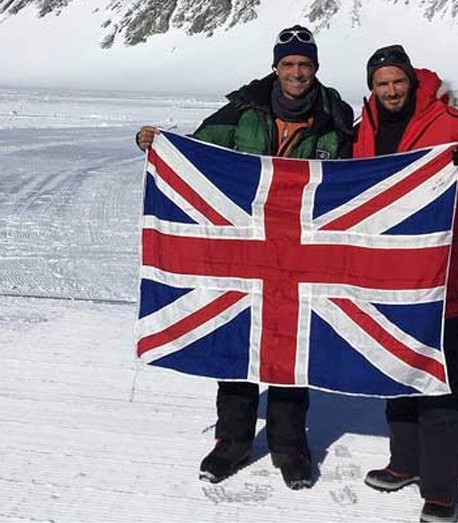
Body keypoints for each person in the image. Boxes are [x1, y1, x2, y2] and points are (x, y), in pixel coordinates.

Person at [135, 25, 354, 489]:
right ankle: (231, 443)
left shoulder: (335, 118)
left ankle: (290, 447)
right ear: (276, 68)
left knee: (292, 350)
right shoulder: (243, 110)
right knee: (238, 347)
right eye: (289, 64)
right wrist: (160, 144)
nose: (297, 72)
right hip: (246, 249)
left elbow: (356, 177)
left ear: (315, 68)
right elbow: (197, 149)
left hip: (302, 250)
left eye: (305, 64)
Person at [353, 45, 458, 523]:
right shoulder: (365, 130)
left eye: (397, 81)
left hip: (447, 276)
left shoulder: (451, 123)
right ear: (372, 88)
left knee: (442, 380)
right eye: (381, 83)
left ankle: (441, 488)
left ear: (412, 82)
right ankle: (406, 462)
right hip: (391, 276)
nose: (390, 90)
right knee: (398, 369)